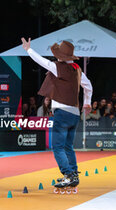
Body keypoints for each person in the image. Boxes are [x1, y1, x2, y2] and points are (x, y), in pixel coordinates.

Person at [21, 38, 92, 192]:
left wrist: (28, 50)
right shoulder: (77, 70)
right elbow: (89, 86)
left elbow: (41, 61)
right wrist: (87, 102)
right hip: (75, 113)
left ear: (60, 56)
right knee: (68, 147)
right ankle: (74, 175)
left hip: (62, 113)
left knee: (58, 147)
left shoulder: (57, 67)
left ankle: (68, 175)